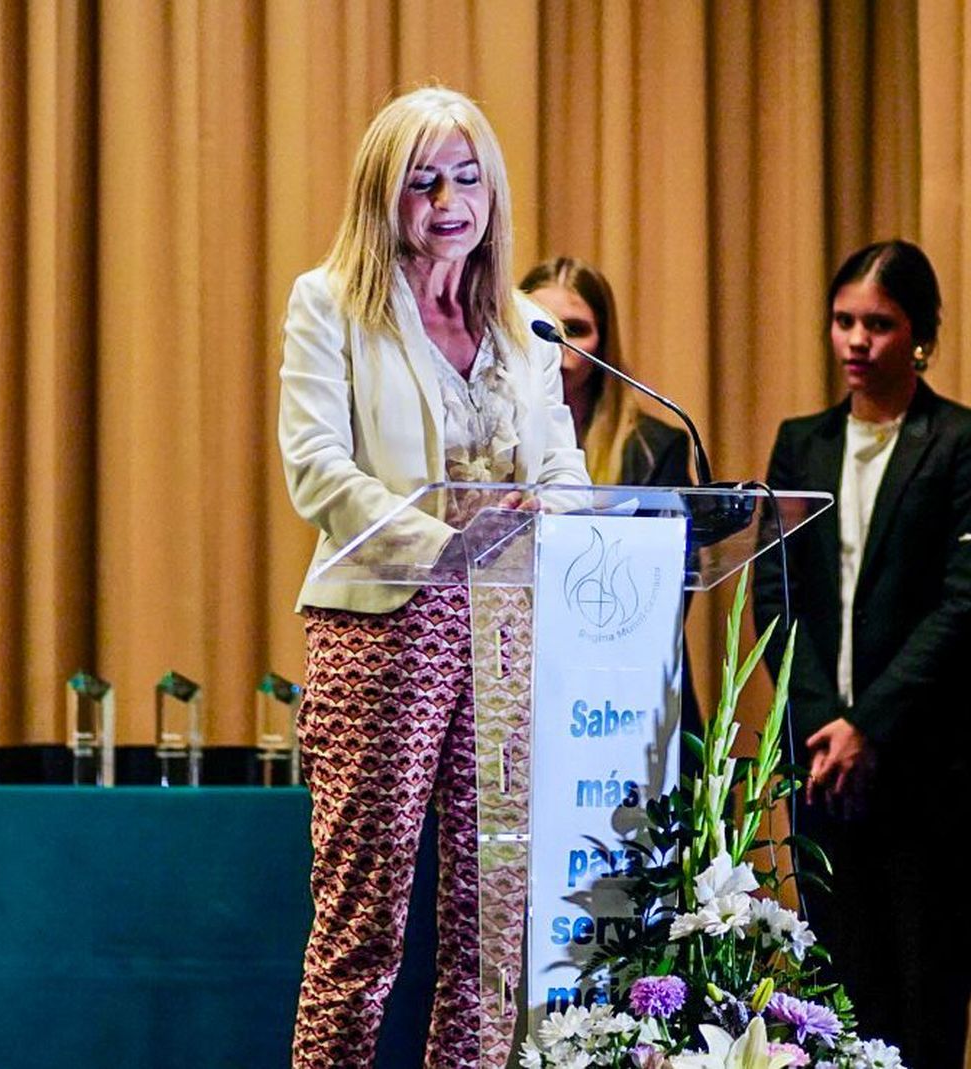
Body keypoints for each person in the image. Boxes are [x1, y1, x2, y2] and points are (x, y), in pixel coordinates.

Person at [277, 87, 588, 1068]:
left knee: (492, 924)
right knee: (363, 923)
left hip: (503, 635)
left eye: (466, 178)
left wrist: (559, 519)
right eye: (423, 182)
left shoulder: (525, 326)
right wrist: (437, 541)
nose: (448, 201)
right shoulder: (330, 302)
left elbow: (561, 471)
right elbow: (316, 463)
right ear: (384, 195)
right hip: (384, 630)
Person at [752, 240, 971, 1069]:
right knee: (837, 996)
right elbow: (772, 598)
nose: (856, 341)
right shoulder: (800, 443)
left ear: (922, 334)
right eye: (843, 321)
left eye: (880, 323)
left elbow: (964, 603)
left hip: (931, 760)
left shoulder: (969, 440)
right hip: (824, 764)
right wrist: (821, 725)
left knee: (928, 997)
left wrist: (869, 724)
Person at [519, 256, 702, 738]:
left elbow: (673, 581)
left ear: (605, 339)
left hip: (626, 690)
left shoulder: (654, 449)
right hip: (520, 686)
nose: (560, 350)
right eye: (544, 329)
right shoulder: (490, 442)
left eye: (576, 330)